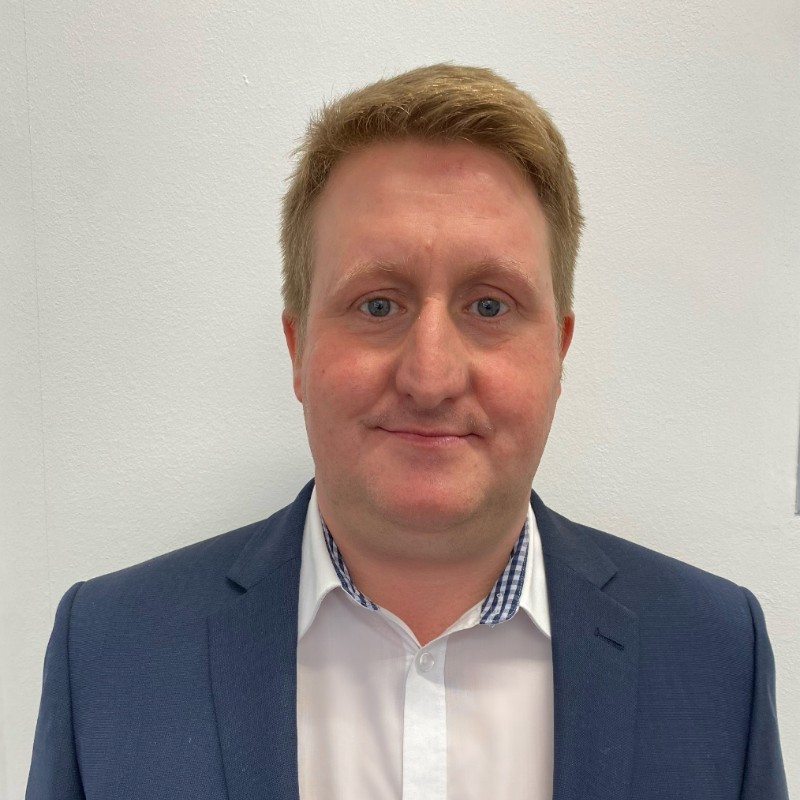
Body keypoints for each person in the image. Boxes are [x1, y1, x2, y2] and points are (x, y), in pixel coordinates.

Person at [27, 64, 787, 800]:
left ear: (559, 351)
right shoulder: (109, 654)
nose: (431, 377)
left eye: (489, 307)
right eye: (379, 305)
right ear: (297, 350)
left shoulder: (717, 655)